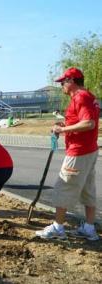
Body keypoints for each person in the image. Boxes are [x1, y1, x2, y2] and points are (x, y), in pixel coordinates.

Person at [35, 67, 100, 241]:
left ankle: (58, 228)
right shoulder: (87, 96)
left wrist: (62, 129)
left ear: (72, 81)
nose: (61, 85)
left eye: (63, 82)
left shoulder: (81, 96)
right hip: (89, 150)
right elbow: (82, 120)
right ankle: (89, 228)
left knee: (63, 187)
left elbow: (89, 123)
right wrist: (65, 123)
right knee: (88, 190)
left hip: (79, 151)